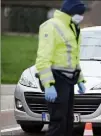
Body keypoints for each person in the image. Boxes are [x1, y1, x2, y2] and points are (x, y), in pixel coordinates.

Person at [35, 0, 87, 135]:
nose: (82, 16)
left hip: (69, 81)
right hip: (56, 79)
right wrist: (48, 84)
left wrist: (80, 79)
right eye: (80, 13)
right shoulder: (51, 26)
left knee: (68, 122)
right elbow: (43, 59)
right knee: (58, 121)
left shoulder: (74, 28)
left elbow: (73, 57)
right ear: (71, 12)